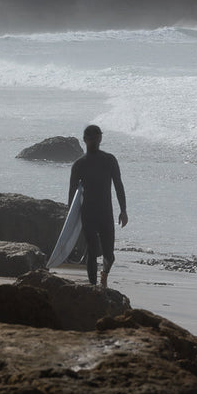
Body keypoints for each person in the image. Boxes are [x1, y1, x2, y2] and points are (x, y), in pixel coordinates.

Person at [69, 124, 128, 289]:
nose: (93, 141)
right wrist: (71, 221)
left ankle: (104, 276)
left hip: (106, 214)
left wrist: (123, 210)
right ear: (84, 140)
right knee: (92, 252)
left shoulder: (109, 160)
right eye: (90, 138)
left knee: (109, 255)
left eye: (96, 137)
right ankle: (94, 286)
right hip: (88, 214)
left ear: (100, 138)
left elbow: (118, 186)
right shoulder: (79, 165)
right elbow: (72, 195)